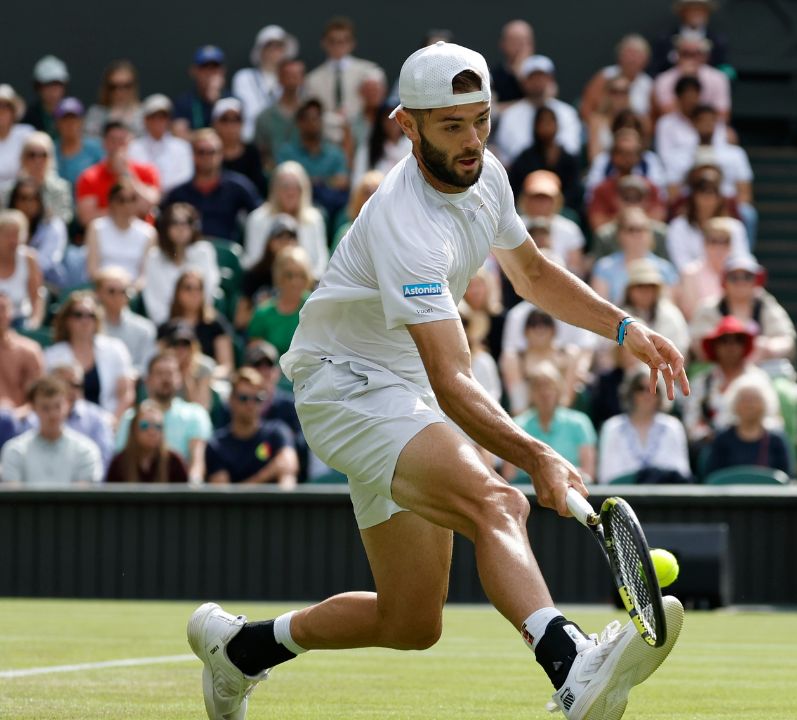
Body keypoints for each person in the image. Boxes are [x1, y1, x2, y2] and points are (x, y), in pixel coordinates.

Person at [189, 42, 689, 720]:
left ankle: (239, 651)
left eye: (480, 120)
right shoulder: (405, 221)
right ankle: (570, 665)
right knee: (498, 503)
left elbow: (534, 275)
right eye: (451, 125)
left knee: (410, 620)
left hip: (401, 391)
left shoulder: (488, 176)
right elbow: (453, 381)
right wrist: (537, 455)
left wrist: (628, 329)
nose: (471, 140)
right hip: (346, 389)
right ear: (406, 124)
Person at [683, 315, 778, 452]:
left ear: (744, 345)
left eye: (737, 341)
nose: (730, 346)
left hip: (753, 446)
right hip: (714, 449)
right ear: (715, 346)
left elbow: (773, 419)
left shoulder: (758, 379)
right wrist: (710, 436)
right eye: (724, 341)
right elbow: (691, 420)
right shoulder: (703, 381)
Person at [117, 351, 212, 482]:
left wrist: (192, 491)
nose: (166, 379)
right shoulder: (130, 418)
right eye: (159, 373)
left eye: (170, 373)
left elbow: (197, 462)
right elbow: (123, 461)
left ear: (179, 379)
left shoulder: (196, 414)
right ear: (147, 380)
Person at [43, 291, 134, 422]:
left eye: (90, 315)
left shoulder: (115, 349)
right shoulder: (51, 356)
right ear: (67, 320)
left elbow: (126, 393)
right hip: (65, 422)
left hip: (110, 422)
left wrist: (114, 422)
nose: (85, 320)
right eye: (78, 315)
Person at [162, 130, 260, 246]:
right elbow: (162, 221)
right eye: (201, 152)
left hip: (227, 255)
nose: (207, 157)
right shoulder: (179, 194)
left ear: (221, 154)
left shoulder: (237, 187)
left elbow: (260, 215)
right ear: (193, 155)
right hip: (188, 253)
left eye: (212, 152)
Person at [206, 367, 299, 487]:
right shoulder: (216, 444)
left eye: (258, 398)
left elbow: (289, 466)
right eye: (243, 398)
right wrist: (271, 470)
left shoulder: (277, 432)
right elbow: (223, 496)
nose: (251, 404)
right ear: (230, 400)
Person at [0, 374, 100, 485]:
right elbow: (14, 497)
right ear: (33, 408)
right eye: (45, 408)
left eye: (57, 406)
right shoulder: (15, 451)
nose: (53, 414)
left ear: (67, 405)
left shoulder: (86, 450)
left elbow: (84, 497)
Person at [597, 367, 691, 484]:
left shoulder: (673, 427)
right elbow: (607, 476)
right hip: (623, 497)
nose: (647, 394)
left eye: (654, 389)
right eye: (641, 389)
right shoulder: (612, 427)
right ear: (631, 392)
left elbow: (682, 471)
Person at [508, 363, 597, 483]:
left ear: (559, 389)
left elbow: (588, 474)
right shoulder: (517, 425)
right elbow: (509, 475)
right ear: (531, 392)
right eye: (538, 386)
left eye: (549, 386)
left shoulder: (580, 423)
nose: (544, 392)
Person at [241, 160, 328, 277]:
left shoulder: (314, 219)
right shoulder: (257, 219)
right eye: (285, 186)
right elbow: (251, 261)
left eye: (296, 187)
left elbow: (321, 262)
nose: (291, 192)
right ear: (274, 189)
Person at [490, 55, 583, 164]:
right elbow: (508, 153)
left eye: (542, 76)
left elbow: (572, 148)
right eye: (533, 77)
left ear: (551, 79)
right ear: (523, 82)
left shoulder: (568, 113)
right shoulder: (510, 115)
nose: (538, 82)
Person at [703, 371, 792, 478]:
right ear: (734, 404)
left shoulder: (776, 440)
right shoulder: (722, 439)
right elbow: (711, 476)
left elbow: (788, 477)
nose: (749, 405)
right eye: (744, 399)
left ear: (766, 404)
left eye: (755, 399)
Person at [142, 202, 219, 324]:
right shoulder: (154, 257)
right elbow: (153, 299)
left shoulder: (204, 252)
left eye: (187, 222)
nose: (181, 228)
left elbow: (208, 291)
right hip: (166, 326)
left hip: (200, 322)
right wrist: (170, 327)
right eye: (174, 223)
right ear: (165, 227)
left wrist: (198, 321)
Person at [74, 121, 161, 226]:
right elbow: (87, 218)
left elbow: (149, 206)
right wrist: (126, 211)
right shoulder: (88, 177)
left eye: (122, 141)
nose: (117, 146)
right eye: (113, 141)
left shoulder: (147, 171)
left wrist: (126, 173)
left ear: (130, 142)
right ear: (104, 143)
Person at [275, 98, 350, 217]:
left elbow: (342, 181)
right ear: (299, 123)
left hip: (330, 208)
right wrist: (325, 181)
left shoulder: (334, 152)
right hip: (295, 206)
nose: (312, 123)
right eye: (307, 119)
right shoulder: (287, 152)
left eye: (316, 118)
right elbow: (281, 182)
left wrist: (312, 181)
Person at [591, 207, 680, 304]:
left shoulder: (666, 269)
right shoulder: (605, 267)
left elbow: (670, 308)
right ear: (619, 234)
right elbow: (600, 307)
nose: (638, 235)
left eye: (642, 229)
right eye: (631, 229)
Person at [508, 107, 584, 218]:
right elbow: (515, 188)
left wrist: (556, 205)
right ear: (535, 126)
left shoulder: (568, 158)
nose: (547, 126)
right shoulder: (525, 158)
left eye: (550, 121)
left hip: (562, 212)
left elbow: (575, 189)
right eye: (542, 121)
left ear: (557, 125)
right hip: (528, 212)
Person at [303, 16, 381, 124]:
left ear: (352, 43)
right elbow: (313, 112)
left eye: (343, 41)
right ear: (324, 43)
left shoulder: (369, 71)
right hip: (326, 134)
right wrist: (335, 119)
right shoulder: (312, 79)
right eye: (332, 41)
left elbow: (375, 104)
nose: (338, 46)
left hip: (362, 133)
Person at [160, 269, 235, 375]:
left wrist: (206, 376)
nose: (194, 293)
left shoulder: (216, 325)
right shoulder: (167, 327)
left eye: (199, 288)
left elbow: (226, 365)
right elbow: (160, 360)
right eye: (188, 288)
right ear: (178, 292)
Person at [233, 25, 298, 144]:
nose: (275, 51)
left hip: (285, 143)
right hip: (252, 142)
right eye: (270, 46)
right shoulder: (244, 78)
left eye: (279, 46)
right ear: (260, 50)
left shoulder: (293, 80)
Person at [580, 34, 653, 136]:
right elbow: (586, 109)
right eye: (629, 53)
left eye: (637, 54)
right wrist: (598, 131)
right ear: (619, 55)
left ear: (646, 59)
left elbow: (650, 120)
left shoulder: (648, 84)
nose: (632, 59)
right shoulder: (604, 76)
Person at [84, 182, 155, 284]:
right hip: (103, 289)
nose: (127, 204)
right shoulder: (96, 227)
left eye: (132, 199)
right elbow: (92, 269)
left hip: (132, 292)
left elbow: (145, 275)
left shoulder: (148, 233)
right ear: (112, 202)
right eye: (121, 200)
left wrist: (132, 290)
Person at [517, 171, 585, 277]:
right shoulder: (514, 226)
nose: (541, 203)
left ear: (556, 200)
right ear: (526, 199)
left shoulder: (569, 229)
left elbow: (575, 269)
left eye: (546, 198)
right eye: (536, 197)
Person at [247, 245, 312, 355]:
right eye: (289, 275)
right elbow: (256, 354)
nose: (295, 282)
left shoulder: (315, 307)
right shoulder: (262, 313)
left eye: (301, 275)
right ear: (279, 276)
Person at [651, 31, 733, 120]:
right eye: (685, 54)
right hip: (674, 127)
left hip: (706, 127)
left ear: (705, 56)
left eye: (696, 54)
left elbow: (723, 115)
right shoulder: (664, 79)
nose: (690, 59)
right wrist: (684, 80)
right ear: (677, 55)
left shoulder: (719, 78)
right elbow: (666, 113)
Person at [105, 399, 188, 483]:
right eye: (144, 425)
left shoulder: (174, 462)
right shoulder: (120, 463)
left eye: (158, 426)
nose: (152, 431)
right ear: (134, 429)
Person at [619, 259, 690, 357]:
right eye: (639, 286)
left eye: (650, 286)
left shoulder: (671, 315)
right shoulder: (619, 315)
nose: (645, 291)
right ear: (629, 290)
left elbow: (679, 350)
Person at [94, 266, 156, 373]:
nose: (118, 296)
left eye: (123, 291)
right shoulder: (88, 325)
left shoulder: (145, 329)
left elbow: (146, 365)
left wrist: (128, 376)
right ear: (99, 294)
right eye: (111, 291)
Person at [128, 94, 193, 192]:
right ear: (145, 120)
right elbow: (133, 177)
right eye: (153, 117)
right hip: (144, 200)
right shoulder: (133, 148)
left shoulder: (182, 147)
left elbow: (185, 177)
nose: (158, 121)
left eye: (162, 117)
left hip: (175, 199)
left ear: (169, 120)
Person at [9, 130, 73, 225]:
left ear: (51, 158)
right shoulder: (9, 189)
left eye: (43, 155)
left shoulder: (60, 188)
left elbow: (66, 217)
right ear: (22, 158)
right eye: (32, 155)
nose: (37, 160)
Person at [649, 0, 729, 74]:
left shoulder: (718, 41)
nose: (697, 14)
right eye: (692, 10)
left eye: (701, 10)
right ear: (682, 12)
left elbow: (722, 69)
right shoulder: (665, 39)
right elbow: (656, 68)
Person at [254, 58, 306, 170]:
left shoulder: (311, 116)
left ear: (303, 79)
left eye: (296, 75)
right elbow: (261, 153)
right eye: (288, 75)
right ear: (279, 78)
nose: (292, 80)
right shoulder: (264, 117)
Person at [171, 46, 229, 138]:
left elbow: (235, 135)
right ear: (194, 71)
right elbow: (179, 135)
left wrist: (216, 101)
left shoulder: (232, 100)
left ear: (222, 71)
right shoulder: (183, 102)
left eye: (214, 67)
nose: (210, 73)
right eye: (205, 67)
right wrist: (205, 139)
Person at [212, 98, 267, 195]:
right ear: (215, 123)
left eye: (236, 119)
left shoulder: (252, 152)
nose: (230, 125)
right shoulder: (207, 151)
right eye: (225, 119)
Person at [0, 208, 44, 328]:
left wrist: (34, 322)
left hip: (21, 321)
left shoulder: (29, 258)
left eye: (17, 234)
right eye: (8, 235)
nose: (13, 240)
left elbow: (36, 297)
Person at [0, 293, 43, 409]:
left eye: (2, 309)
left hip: (21, 421)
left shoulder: (29, 350)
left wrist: (15, 417)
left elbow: (37, 398)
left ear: (11, 313)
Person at [351, 101, 411, 182]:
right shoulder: (368, 148)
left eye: (396, 118)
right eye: (388, 119)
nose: (393, 123)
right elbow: (358, 179)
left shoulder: (413, 144)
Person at [84, 60, 144, 138]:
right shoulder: (96, 114)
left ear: (134, 87)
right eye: (114, 87)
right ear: (106, 88)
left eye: (126, 86)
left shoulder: (145, 115)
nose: (120, 92)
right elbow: (90, 142)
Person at [53, 98, 103, 188]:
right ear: (57, 123)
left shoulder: (96, 149)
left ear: (81, 121)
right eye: (65, 120)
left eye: (74, 119)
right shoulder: (50, 149)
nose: (70, 124)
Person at [490, 19, 535, 110]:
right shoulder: (493, 76)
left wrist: (521, 74)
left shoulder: (541, 71)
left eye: (526, 41)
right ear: (503, 44)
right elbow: (490, 110)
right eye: (515, 41)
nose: (521, 46)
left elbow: (545, 101)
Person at [23, 55, 69, 138]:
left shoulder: (72, 114)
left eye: (57, 85)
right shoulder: (28, 117)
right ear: (38, 88)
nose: (53, 91)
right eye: (48, 85)